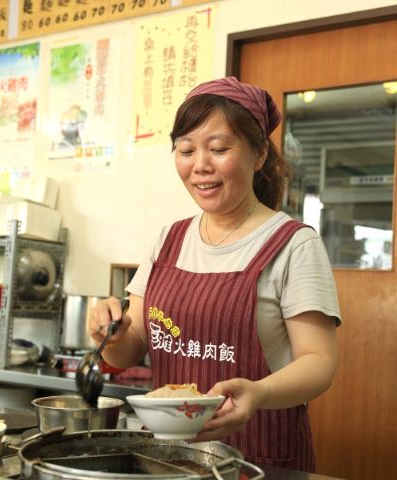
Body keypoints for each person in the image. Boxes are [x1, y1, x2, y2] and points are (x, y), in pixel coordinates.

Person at [89, 76, 341, 472]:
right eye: (186, 150)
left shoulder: (293, 244)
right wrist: (108, 331)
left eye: (219, 148)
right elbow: (129, 347)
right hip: (172, 457)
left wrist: (257, 394)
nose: (200, 165)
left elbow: (318, 362)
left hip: (259, 456)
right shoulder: (168, 240)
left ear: (258, 155)